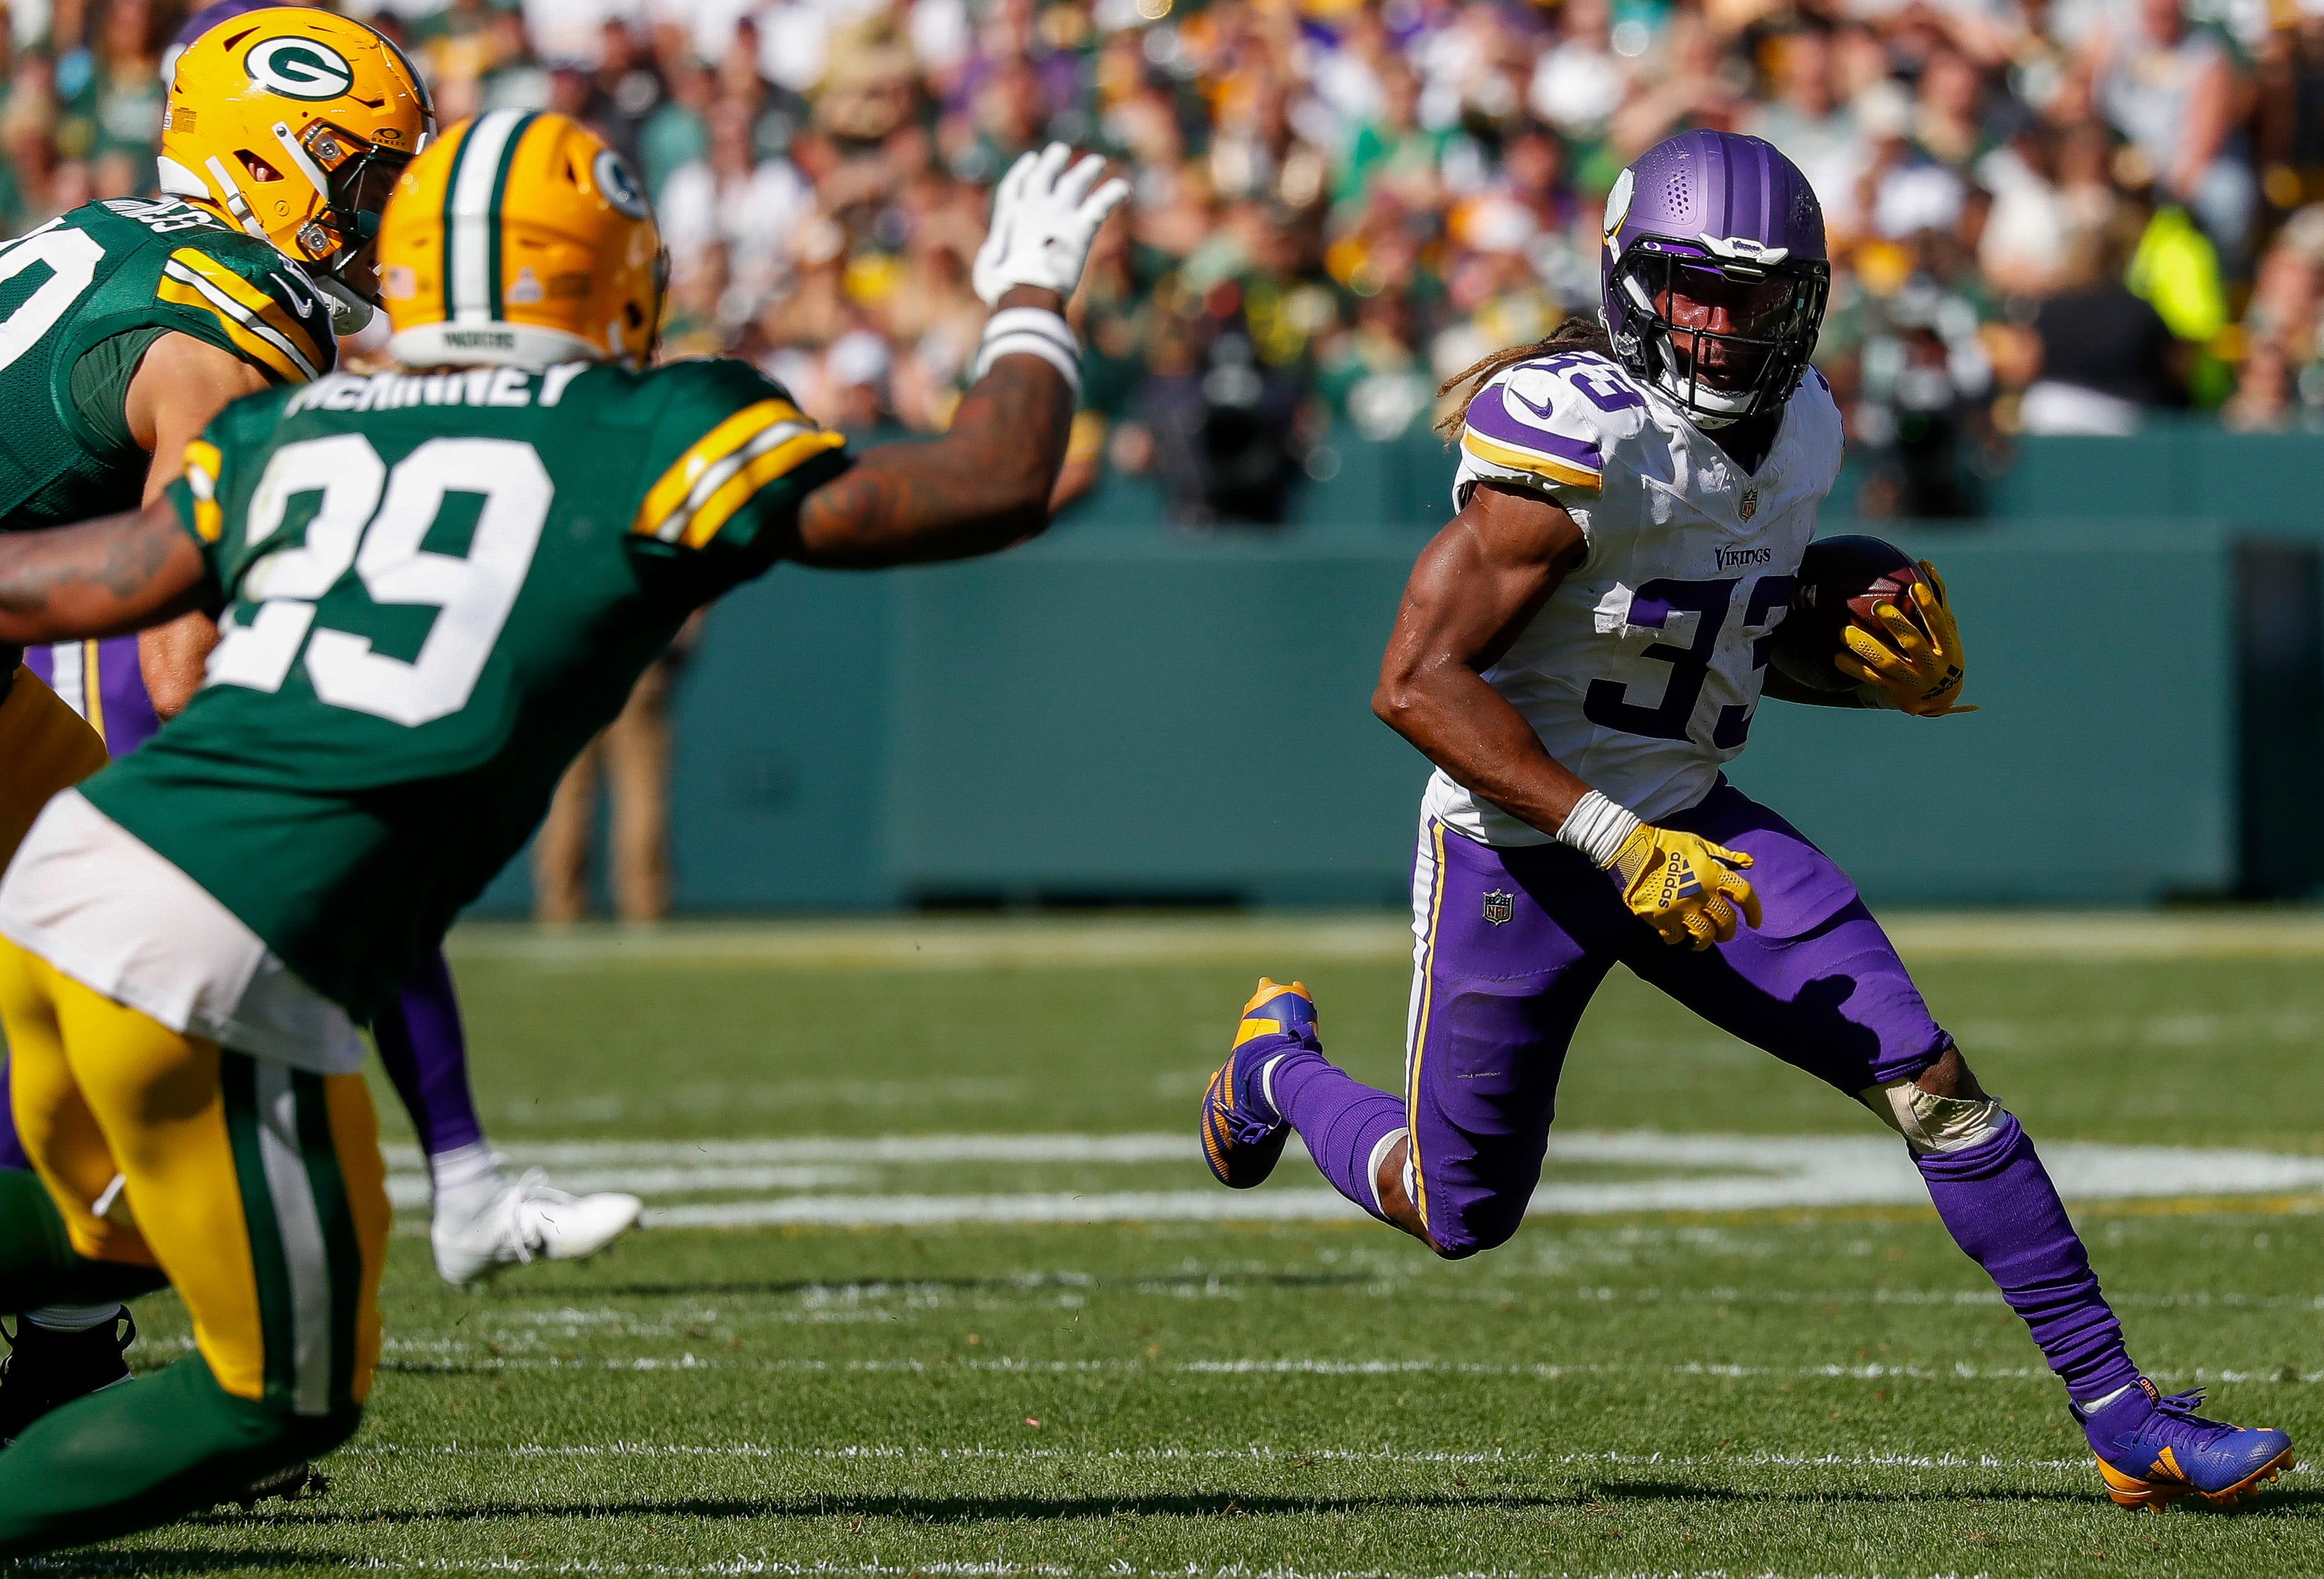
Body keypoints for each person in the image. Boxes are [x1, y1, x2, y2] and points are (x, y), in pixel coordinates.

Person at [0, 109, 1123, 1551]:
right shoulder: (655, 426)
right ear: (610, 271)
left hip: (73, 867)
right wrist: (1027, 295)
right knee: (281, 1395)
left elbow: (86, 583)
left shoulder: (299, 421)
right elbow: (992, 483)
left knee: (115, 1227)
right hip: (222, 935)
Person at [1199, 129, 2295, 1514]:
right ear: (1627, 281)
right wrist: (1609, 837)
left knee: (1930, 1081)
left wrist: (1861, 670)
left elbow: (1702, 644)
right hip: (1519, 849)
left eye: (1751, 293)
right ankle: (1274, 1070)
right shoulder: (1571, 433)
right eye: (1688, 288)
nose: (1716, 325)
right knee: (1455, 1207)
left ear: (1808, 298)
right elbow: (1414, 682)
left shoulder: (1810, 426)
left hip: (1694, 822)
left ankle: (2123, 1415)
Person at [0, 8, 643, 1455]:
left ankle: (60, 1349)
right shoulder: (227, 326)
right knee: (157, 942)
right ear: (278, 163)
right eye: (364, 179)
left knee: (66, 935)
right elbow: (182, 655)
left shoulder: (111, 234)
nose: (381, 216)